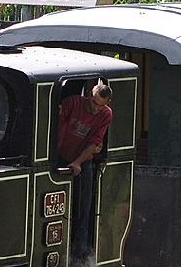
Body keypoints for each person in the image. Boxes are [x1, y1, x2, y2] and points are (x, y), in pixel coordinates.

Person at [56, 81, 112, 260]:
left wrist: (78, 162)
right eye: (94, 103)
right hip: (59, 155)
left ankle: (79, 255)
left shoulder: (105, 114)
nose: (96, 108)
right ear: (89, 94)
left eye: (101, 105)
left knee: (83, 208)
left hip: (83, 161)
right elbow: (56, 127)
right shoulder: (72, 103)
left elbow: (95, 142)